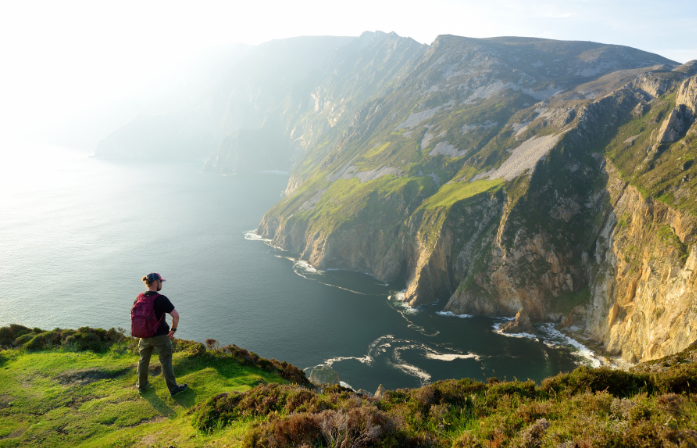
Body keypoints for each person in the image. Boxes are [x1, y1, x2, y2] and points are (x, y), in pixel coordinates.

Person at [134, 272, 188, 396]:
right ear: (155, 283)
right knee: (166, 361)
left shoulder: (139, 297)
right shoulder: (161, 298)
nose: (161, 284)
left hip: (144, 336)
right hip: (160, 336)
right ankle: (173, 389)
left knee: (143, 361)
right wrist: (173, 330)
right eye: (160, 282)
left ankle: (142, 386)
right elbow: (176, 316)